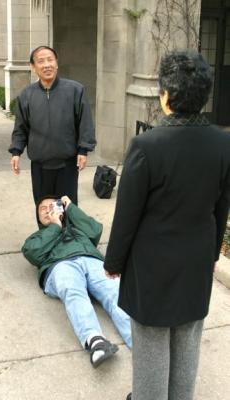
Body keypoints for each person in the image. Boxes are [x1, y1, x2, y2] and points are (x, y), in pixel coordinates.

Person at [103, 50, 230, 400]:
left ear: (165, 95)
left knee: (152, 344)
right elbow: (222, 206)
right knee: (188, 339)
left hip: (151, 265)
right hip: (196, 260)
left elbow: (127, 216)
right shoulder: (223, 143)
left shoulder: (146, 146)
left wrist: (113, 262)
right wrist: (213, 252)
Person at [22, 195, 132, 368]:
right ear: (39, 219)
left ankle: (139, 342)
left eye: (52, 205)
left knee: (114, 289)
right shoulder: (35, 238)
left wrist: (71, 207)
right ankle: (95, 342)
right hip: (60, 265)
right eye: (42, 209)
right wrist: (56, 226)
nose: (48, 209)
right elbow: (33, 253)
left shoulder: (77, 228)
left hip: (91, 260)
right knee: (72, 289)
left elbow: (94, 230)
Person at [9, 45, 96, 206]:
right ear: (33, 67)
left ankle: (67, 232)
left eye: (50, 60)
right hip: (40, 166)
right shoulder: (26, 95)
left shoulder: (75, 90)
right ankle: (47, 232)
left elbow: (85, 122)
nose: (46, 65)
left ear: (56, 63)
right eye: (41, 61)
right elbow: (21, 128)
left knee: (67, 209)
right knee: (44, 210)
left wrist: (83, 149)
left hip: (67, 165)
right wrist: (16, 151)